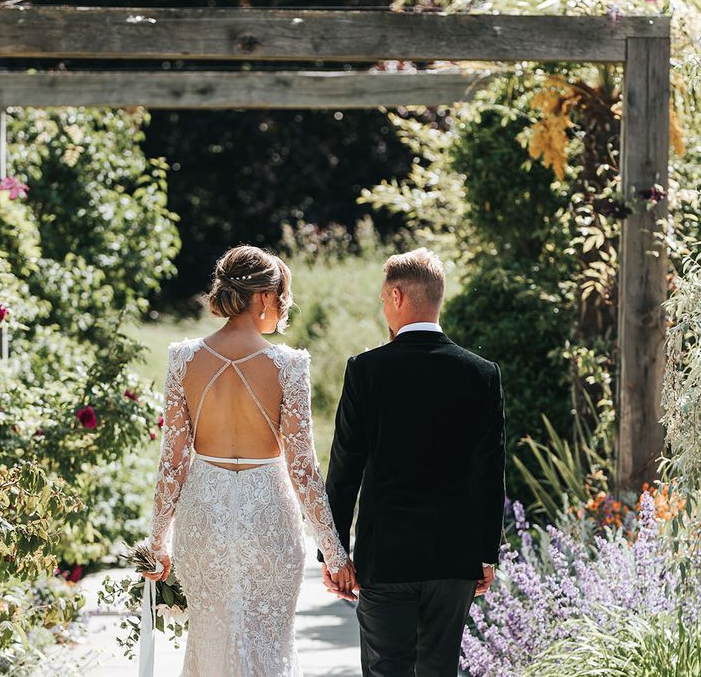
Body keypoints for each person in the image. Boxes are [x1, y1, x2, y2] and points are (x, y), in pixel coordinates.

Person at [144, 244, 356, 676]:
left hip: (205, 516)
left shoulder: (183, 360)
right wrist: (335, 556)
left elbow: (173, 462)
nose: (284, 309)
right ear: (263, 297)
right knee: (269, 642)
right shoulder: (288, 365)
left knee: (210, 640)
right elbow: (304, 471)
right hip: (269, 517)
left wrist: (157, 543)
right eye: (283, 299)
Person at [319, 247, 506, 676]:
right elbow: (489, 473)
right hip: (453, 559)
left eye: (384, 299)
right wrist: (485, 553)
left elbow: (344, 468)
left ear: (399, 296)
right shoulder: (482, 374)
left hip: (385, 559)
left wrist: (334, 553)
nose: (383, 308)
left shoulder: (366, 370)